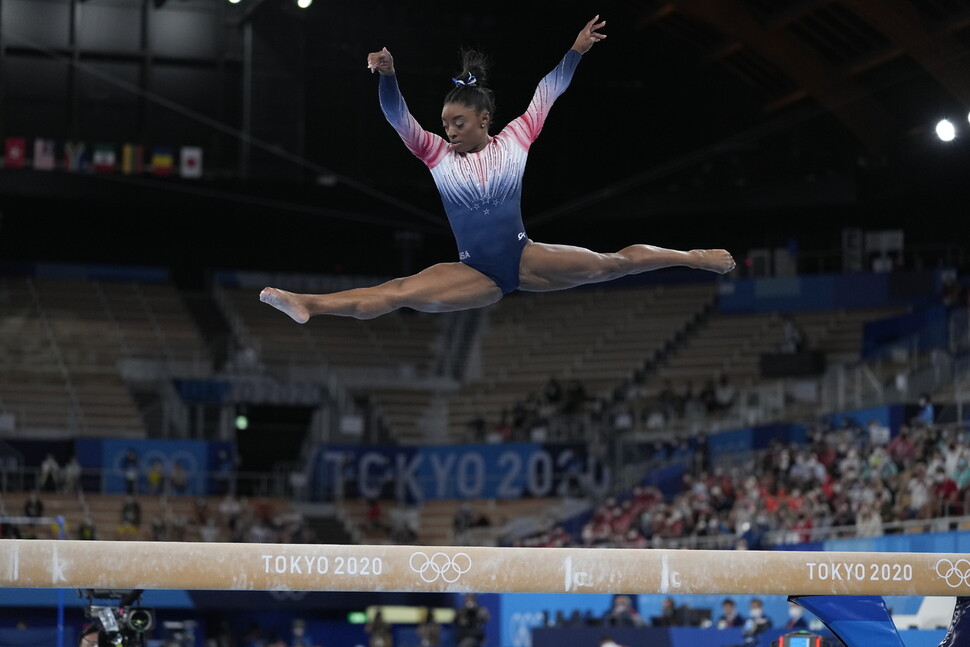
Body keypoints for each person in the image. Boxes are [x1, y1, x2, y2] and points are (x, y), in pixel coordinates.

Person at [259, 17, 735, 323]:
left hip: (525, 257)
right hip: (475, 273)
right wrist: (388, 76)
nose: (448, 132)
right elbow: (396, 115)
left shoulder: (516, 138)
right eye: (445, 124)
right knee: (397, 291)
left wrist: (576, 52)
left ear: (485, 119)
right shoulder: (435, 155)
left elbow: (549, 90)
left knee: (613, 265)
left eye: (458, 123)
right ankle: (309, 304)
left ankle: (693, 257)